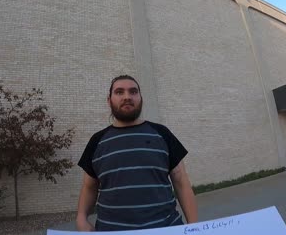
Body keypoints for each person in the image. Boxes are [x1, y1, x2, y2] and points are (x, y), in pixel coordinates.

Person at [76, 75, 198, 231]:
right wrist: (81, 217)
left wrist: (194, 226)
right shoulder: (97, 140)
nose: (127, 97)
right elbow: (89, 187)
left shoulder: (162, 133)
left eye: (133, 92)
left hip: (166, 228)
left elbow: (181, 181)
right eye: (119, 92)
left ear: (141, 99)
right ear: (109, 100)